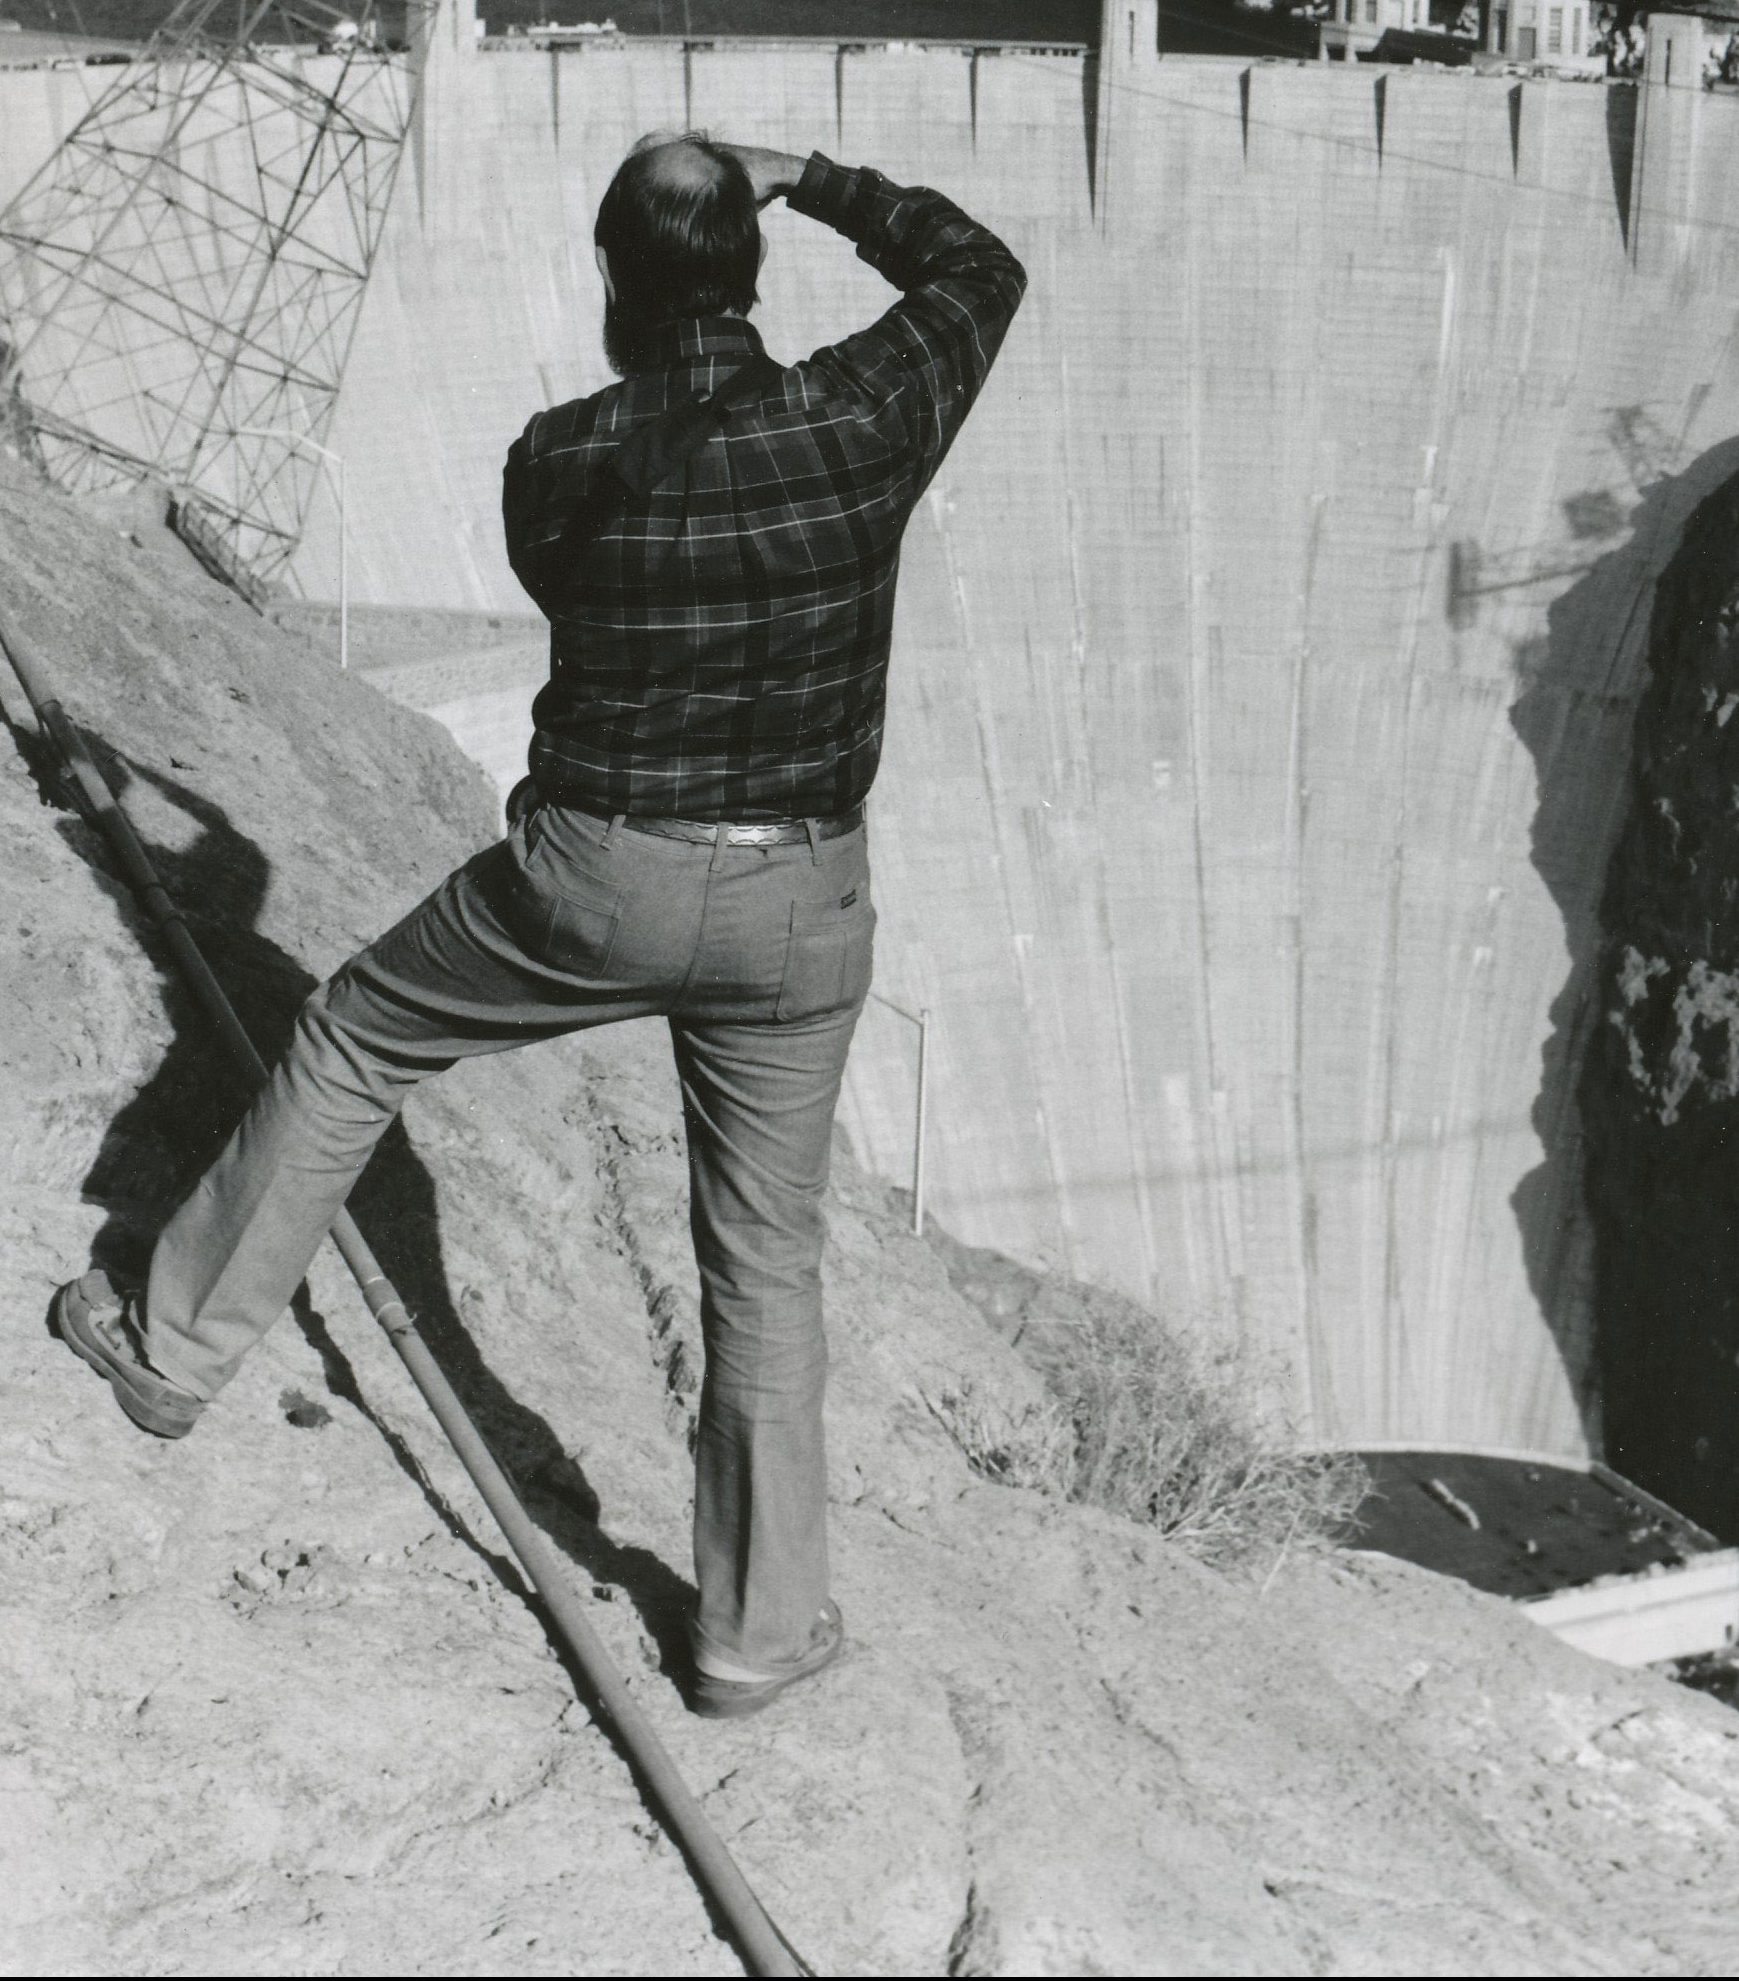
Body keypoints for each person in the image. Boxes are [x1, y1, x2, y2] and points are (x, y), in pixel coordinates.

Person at [52, 131, 1026, 1720]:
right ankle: (753, 1637)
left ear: (611, 282)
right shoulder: (865, 418)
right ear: (753, 269)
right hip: (799, 898)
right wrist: (827, 182)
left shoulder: (554, 462)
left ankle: (168, 1348)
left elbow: (572, 569)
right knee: (762, 1261)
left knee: (358, 1035)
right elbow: (981, 270)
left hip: (593, 877)